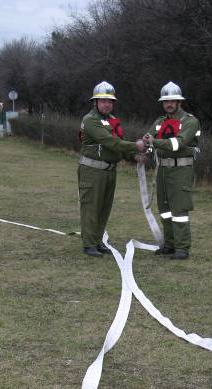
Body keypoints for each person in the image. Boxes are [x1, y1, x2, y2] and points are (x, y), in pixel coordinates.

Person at [78, 81, 145, 257]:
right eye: (103, 101)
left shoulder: (112, 121)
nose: (107, 104)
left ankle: (98, 241)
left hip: (109, 170)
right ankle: (89, 244)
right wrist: (136, 146)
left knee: (104, 208)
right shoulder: (90, 120)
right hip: (92, 171)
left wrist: (133, 157)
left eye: (110, 101)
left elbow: (117, 147)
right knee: (91, 207)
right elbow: (111, 142)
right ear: (95, 102)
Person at [143, 82, 201, 260]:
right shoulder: (160, 122)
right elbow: (148, 141)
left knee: (179, 210)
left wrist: (154, 142)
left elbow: (178, 143)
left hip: (181, 170)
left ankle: (182, 248)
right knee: (164, 209)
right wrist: (145, 151)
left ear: (179, 102)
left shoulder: (190, 121)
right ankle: (170, 244)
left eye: (172, 101)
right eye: (165, 101)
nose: (168, 104)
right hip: (163, 170)